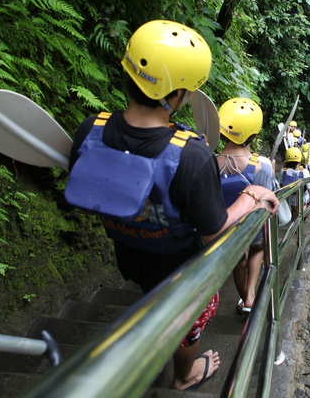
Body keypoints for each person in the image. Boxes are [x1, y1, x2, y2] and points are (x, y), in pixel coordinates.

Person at [66, 20, 278, 392]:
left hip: (129, 253)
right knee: (192, 315)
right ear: (179, 93)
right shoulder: (191, 155)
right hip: (180, 269)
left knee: (150, 295)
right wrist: (249, 198)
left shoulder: (90, 130)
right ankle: (185, 375)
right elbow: (214, 232)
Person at [215, 97, 276, 317]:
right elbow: (268, 203)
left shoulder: (208, 163)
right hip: (253, 226)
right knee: (258, 247)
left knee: (237, 262)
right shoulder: (262, 167)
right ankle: (251, 295)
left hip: (225, 226)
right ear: (254, 134)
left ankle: (244, 300)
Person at [280, 147, 310, 219]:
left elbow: (280, 184)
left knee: (294, 211)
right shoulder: (305, 171)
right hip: (302, 197)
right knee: (305, 207)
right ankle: (299, 223)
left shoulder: (283, 170)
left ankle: (294, 227)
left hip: (290, 197)